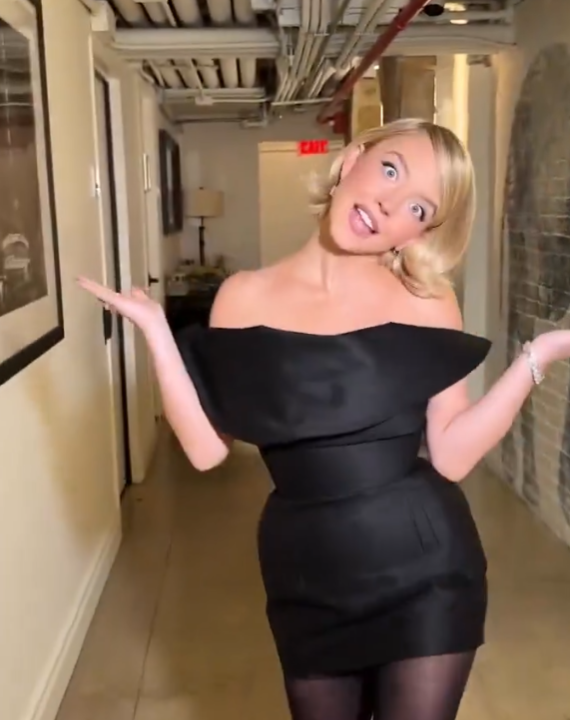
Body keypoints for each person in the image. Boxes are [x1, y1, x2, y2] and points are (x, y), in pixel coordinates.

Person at [77, 118, 570, 720]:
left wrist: (538, 356)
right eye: (390, 170)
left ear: (419, 232)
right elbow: (206, 450)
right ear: (352, 159)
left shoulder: (428, 301)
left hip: (427, 569)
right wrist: (157, 332)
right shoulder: (244, 296)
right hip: (307, 574)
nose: (389, 204)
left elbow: (451, 454)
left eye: (418, 208)